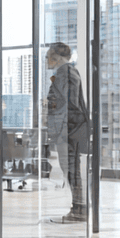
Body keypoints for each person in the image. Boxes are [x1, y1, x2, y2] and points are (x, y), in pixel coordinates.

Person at [45, 42, 89, 222]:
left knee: (71, 170)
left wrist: (51, 104)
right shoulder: (64, 73)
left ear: (57, 56)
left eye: (49, 55)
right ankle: (78, 208)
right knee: (70, 170)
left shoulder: (67, 72)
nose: (47, 59)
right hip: (69, 129)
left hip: (69, 130)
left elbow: (67, 104)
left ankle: (79, 210)